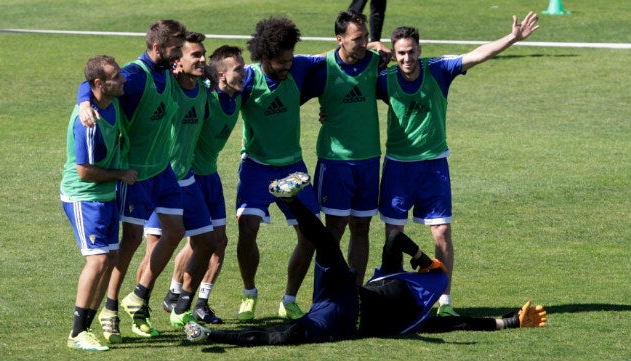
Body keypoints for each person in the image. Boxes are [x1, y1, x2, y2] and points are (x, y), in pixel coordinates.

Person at [182, 172, 548, 345]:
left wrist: (511, 321)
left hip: (342, 320)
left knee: (288, 334)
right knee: (326, 244)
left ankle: (212, 333)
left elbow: (462, 325)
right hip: (343, 298)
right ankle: (287, 197)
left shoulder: (422, 315)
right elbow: (395, 240)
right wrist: (420, 256)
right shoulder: (401, 283)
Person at [377, 12, 541, 317]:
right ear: (394, 53)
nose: (407, 58)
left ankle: (445, 303)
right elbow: (350, 95)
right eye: (401, 53)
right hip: (398, 168)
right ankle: (393, 301)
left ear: (420, 50)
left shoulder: (438, 70)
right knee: (393, 237)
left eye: (412, 51)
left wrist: (512, 38)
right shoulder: (384, 80)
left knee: (441, 234)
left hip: (434, 167)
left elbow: (477, 55)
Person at [77, 19, 188, 340]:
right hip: (135, 175)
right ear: (157, 48)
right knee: (129, 244)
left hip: (163, 171)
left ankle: (137, 296)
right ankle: (109, 309)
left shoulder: (168, 72)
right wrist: (84, 99)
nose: (179, 55)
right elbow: (92, 84)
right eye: (174, 49)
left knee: (175, 231)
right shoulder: (135, 76)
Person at [234, 16, 326, 321]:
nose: (288, 65)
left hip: (293, 168)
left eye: (290, 59)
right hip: (256, 168)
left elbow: (332, 58)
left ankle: (289, 299)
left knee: (310, 234)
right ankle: (249, 293)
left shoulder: (298, 66)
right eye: (281, 61)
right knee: (246, 229)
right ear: (264, 57)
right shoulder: (247, 79)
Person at [134, 31, 224, 331]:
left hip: (186, 178)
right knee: (154, 247)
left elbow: (230, 77)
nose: (202, 59)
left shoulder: (202, 89)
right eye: (195, 55)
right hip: (161, 176)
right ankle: (139, 311)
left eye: (203, 54)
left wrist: (210, 74)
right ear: (178, 62)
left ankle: (181, 305)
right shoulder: (168, 87)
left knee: (208, 241)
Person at [161, 45, 246, 325]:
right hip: (191, 176)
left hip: (212, 176)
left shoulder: (239, 93)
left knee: (218, 242)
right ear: (221, 75)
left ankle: (201, 302)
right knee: (199, 241)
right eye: (238, 70)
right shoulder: (206, 98)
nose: (245, 73)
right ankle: (175, 294)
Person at [61, 55, 137, 351]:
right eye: (116, 77)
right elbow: (84, 171)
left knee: (109, 259)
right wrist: (122, 174)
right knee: (97, 260)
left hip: (106, 195)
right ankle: (77, 333)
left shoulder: (111, 101)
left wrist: (84, 97)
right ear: (100, 83)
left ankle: (86, 329)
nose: (123, 80)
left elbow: (86, 84)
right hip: (84, 195)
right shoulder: (87, 123)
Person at [303, 10, 384, 285]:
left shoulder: (376, 63)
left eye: (366, 38)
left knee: (362, 228)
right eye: (357, 39)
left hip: (370, 160)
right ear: (339, 39)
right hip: (335, 162)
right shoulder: (324, 68)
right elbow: (291, 100)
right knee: (333, 231)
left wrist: (379, 48)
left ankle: (355, 294)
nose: (363, 43)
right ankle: (324, 295)